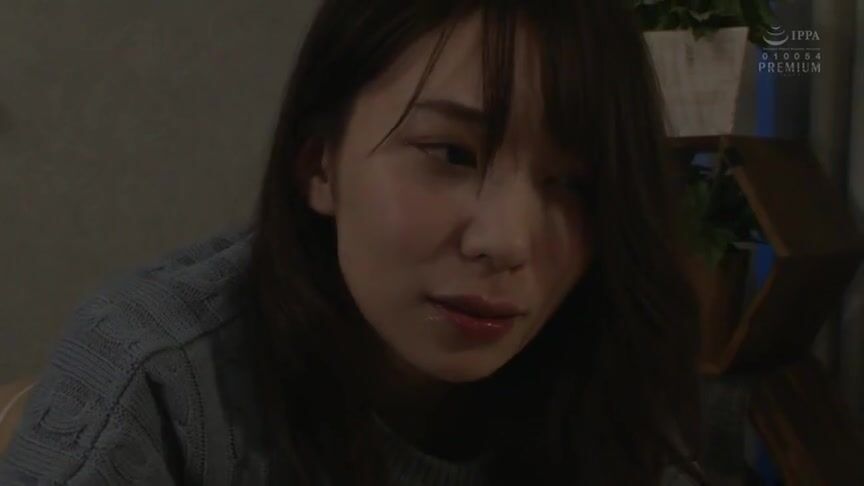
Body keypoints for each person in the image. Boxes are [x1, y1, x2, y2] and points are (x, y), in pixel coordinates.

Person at [0, 0, 706, 484]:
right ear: (319, 165)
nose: (508, 241)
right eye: (451, 154)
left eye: (573, 184)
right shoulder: (157, 375)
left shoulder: (614, 359)